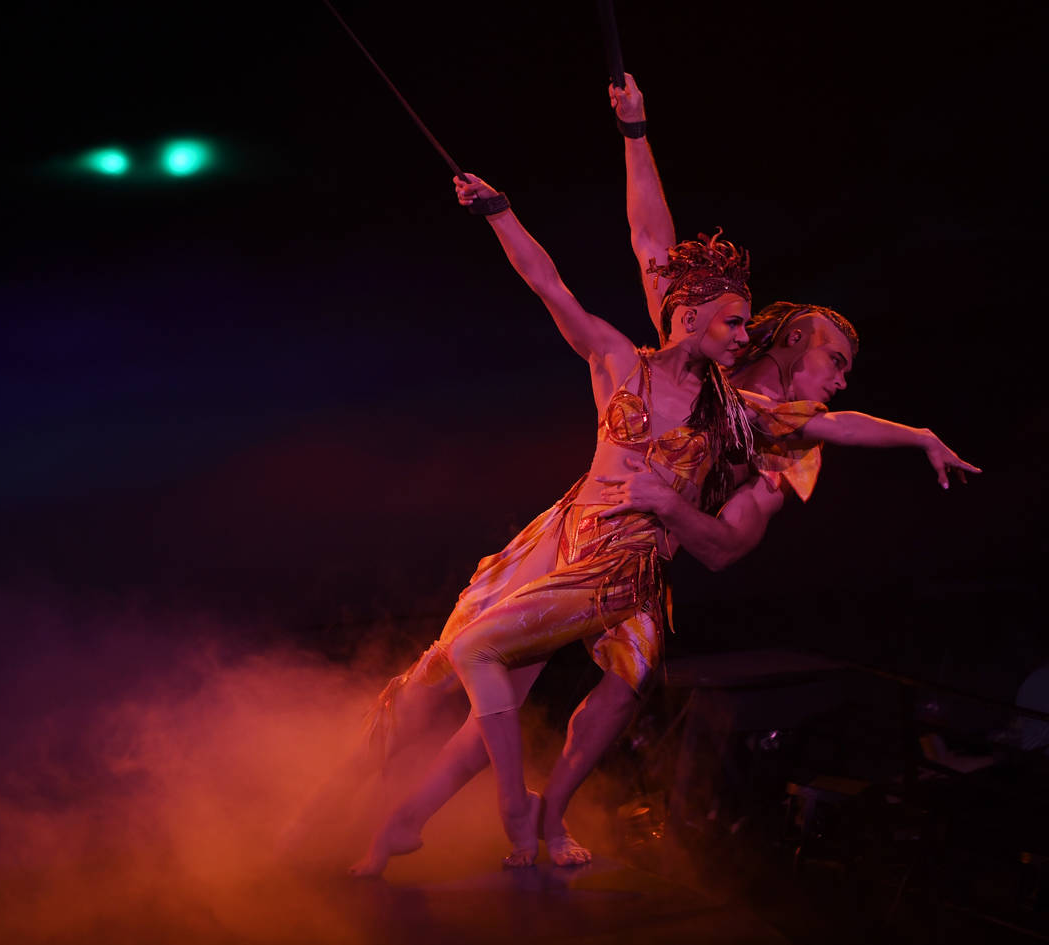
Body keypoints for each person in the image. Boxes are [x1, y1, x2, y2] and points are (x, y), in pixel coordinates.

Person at [346, 171, 977, 875]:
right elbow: (592, 268)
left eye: (744, 323)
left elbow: (833, 431)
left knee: (618, 684)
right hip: (580, 540)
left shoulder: (732, 407)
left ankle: (535, 813)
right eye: (734, 321)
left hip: (636, 568)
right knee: (485, 663)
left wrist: (919, 434)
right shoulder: (631, 360)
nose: (743, 331)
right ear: (693, 317)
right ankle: (445, 815)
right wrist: (525, 198)